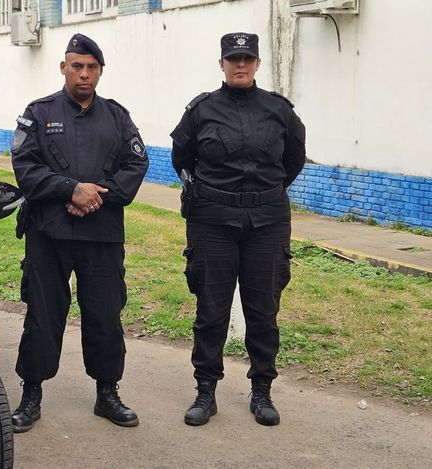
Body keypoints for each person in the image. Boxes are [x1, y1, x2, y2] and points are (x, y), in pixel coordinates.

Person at [10, 33, 149, 433]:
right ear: (63, 67)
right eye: (77, 66)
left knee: (105, 316)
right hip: (49, 234)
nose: (84, 74)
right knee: (43, 315)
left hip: (102, 235)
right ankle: (31, 394)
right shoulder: (38, 113)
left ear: (100, 71)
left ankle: (107, 393)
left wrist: (94, 197)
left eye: (91, 68)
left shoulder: (117, 116)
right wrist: (71, 190)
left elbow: (135, 165)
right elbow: (26, 167)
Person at [170, 32, 306, 427]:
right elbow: (182, 157)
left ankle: (262, 391)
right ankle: (205, 392)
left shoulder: (279, 111)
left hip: (267, 223)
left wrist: (263, 195)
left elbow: (293, 159)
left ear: (258, 64)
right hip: (212, 221)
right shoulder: (201, 110)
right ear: (222, 64)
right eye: (233, 58)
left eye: (247, 58)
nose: (240, 64)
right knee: (211, 311)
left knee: (263, 312)